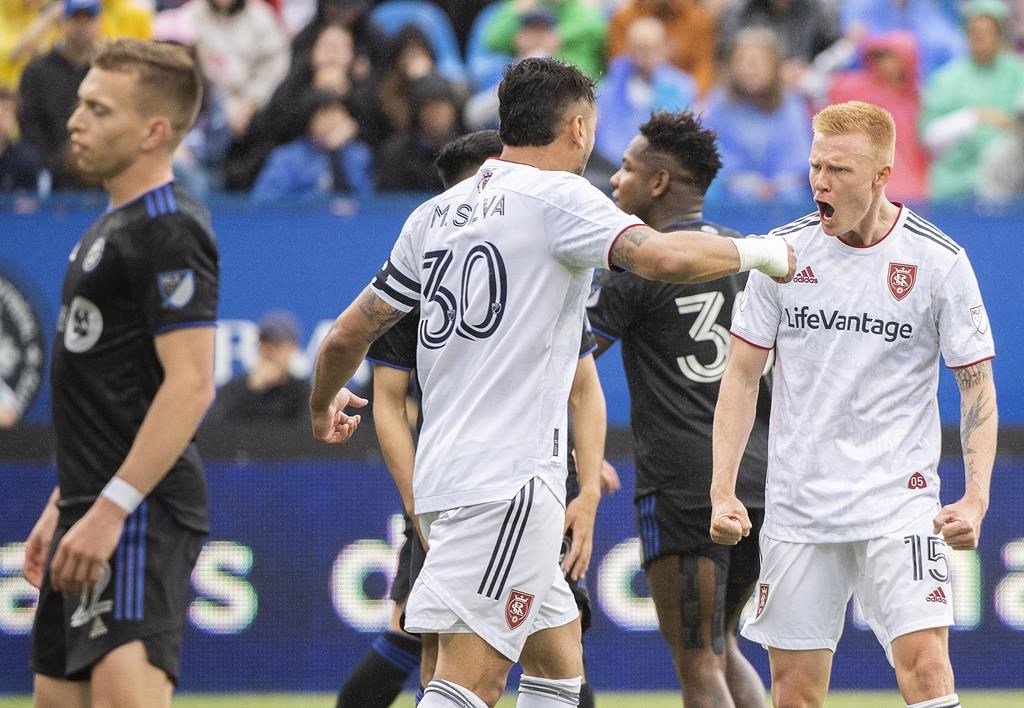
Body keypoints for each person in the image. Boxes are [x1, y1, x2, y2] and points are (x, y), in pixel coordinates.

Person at [309, 56, 794, 708]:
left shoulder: (433, 216)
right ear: (577, 127)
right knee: (467, 681)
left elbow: (346, 335)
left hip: (453, 472)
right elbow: (663, 255)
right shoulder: (563, 198)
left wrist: (319, 407)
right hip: (508, 482)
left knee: (559, 669)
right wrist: (767, 252)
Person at [711, 100, 998, 708]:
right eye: (815, 166)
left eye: (838, 170)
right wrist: (723, 488)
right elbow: (740, 378)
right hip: (799, 505)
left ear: (881, 175)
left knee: (927, 670)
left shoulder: (938, 261)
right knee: (794, 694)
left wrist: (975, 496)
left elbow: (976, 384)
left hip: (898, 501)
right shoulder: (781, 255)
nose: (820, 182)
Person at [337, 129, 612, 708]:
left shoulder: (535, 264)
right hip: (486, 484)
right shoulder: (428, 266)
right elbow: (386, 399)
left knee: (560, 662)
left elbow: (583, 387)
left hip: (521, 484)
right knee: (454, 667)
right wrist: (414, 509)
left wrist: (586, 488)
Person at [21, 39, 218, 708]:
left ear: (152, 132)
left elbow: (191, 385)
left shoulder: (170, 229)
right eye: (79, 103)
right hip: (88, 505)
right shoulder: (109, 225)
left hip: (140, 514)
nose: (75, 120)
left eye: (98, 110)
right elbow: (105, 393)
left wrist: (108, 512)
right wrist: (62, 504)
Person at [587, 110, 768, 707]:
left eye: (628, 169)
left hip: (684, 483)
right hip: (761, 479)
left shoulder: (642, 260)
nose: (615, 180)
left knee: (697, 662)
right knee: (724, 645)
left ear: (658, 183)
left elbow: (570, 358)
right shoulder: (746, 254)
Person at [920, 0, 1024, 201]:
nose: (980, 38)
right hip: (956, 185)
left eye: (987, 32)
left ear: (1001, 34)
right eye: (974, 32)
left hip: (1013, 184)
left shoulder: (1019, 72)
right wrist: (973, 117)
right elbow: (929, 136)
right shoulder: (946, 78)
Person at [17, 0, 102, 190]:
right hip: (49, 172)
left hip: (100, 168)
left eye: (88, 19)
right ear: (62, 22)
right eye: (75, 19)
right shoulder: (37, 71)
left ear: (99, 24)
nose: (82, 26)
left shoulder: (106, 71)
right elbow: (29, 124)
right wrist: (60, 160)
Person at [204, 311, 311, 425]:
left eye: (277, 346)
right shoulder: (234, 389)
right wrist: (252, 390)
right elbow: (213, 429)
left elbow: (307, 433)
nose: (270, 353)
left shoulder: (302, 392)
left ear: (292, 349)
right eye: (265, 345)